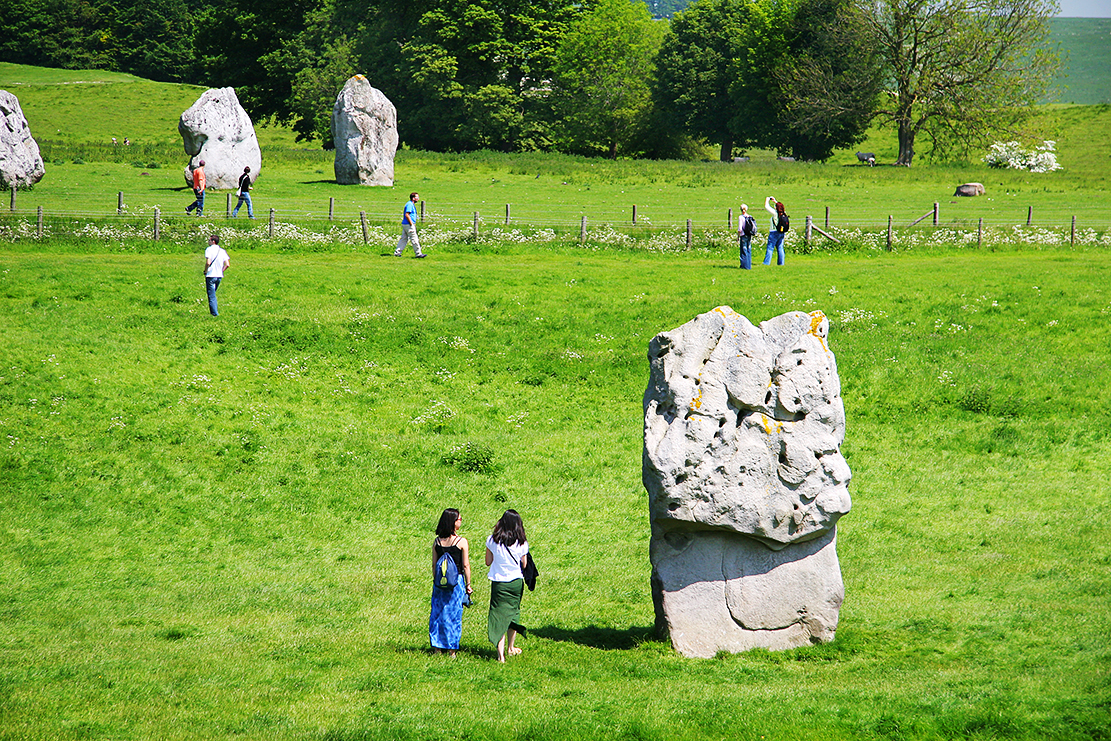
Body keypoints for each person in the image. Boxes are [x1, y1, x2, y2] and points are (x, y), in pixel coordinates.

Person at [485, 510, 529, 662]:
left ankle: (501, 655)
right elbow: (524, 564)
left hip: (499, 583)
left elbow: (488, 562)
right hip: (516, 583)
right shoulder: (522, 542)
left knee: (498, 616)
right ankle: (511, 648)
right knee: (513, 614)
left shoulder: (492, 540)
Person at [429, 508, 473, 656]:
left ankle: (436, 647)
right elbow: (465, 565)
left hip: (439, 583)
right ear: (452, 522)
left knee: (438, 614)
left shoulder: (437, 542)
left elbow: (435, 565)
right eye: (459, 519)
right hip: (456, 583)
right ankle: (452, 649)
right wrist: (468, 585)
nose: (461, 521)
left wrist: (436, 581)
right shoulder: (462, 542)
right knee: (454, 615)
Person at [203, 234, 230, 316]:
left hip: (211, 275)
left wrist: (206, 270)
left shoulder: (209, 249)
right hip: (219, 276)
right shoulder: (222, 251)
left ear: (213, 241)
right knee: (213, 294)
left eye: (209, 240)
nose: (208, 242)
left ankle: (215, 314)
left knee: (211, 296)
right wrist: (221, 271)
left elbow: (208, 262)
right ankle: (214, 312)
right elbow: (227, 264)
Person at [394, 192, 426, 258]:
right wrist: (411, 224)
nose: (418, 199)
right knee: (414, 238)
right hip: (408, 224)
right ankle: (418, 253)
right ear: (413, 198)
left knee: (403, 239)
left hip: (406, 224)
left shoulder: (410, 204)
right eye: (417, 197)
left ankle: (397, 252)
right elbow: (407, 214)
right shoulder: (410, 204)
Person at [762, 196, 788, 266]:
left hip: (774, 232)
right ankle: (781, 263)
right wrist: (775, 201)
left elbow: (767, 207)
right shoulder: (784, 213)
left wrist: (767, 200)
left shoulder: (775, 213)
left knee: (770, 248)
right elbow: (781, 207)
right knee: (780, 247)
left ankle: (766, 262)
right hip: (781, 233)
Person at [739, 203, 757, 270]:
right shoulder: (750, 217)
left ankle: (744, 266)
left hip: (743, 235)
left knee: (743, 250)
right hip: (749, 234)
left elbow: (740, 229)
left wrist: (738, 236)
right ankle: (749, 265)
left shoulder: (741, 217)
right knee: (748, 249)